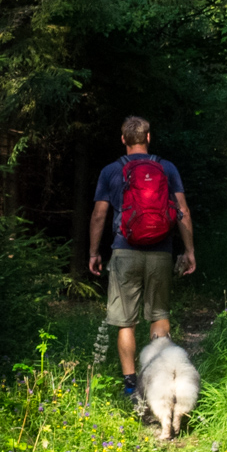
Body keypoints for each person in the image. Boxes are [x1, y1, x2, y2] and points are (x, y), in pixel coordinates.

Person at [88, 116, 196, 399]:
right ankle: (157, 382)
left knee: (126, 321)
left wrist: (93, 252)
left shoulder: (111, 171)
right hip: (161, 251)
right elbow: (182, 210)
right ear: (148, 138)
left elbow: (99, 214)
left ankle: (130, 386)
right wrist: (189, 250)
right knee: (158, 316)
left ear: (123, 139)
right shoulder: (167, 168)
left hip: (124, 251)